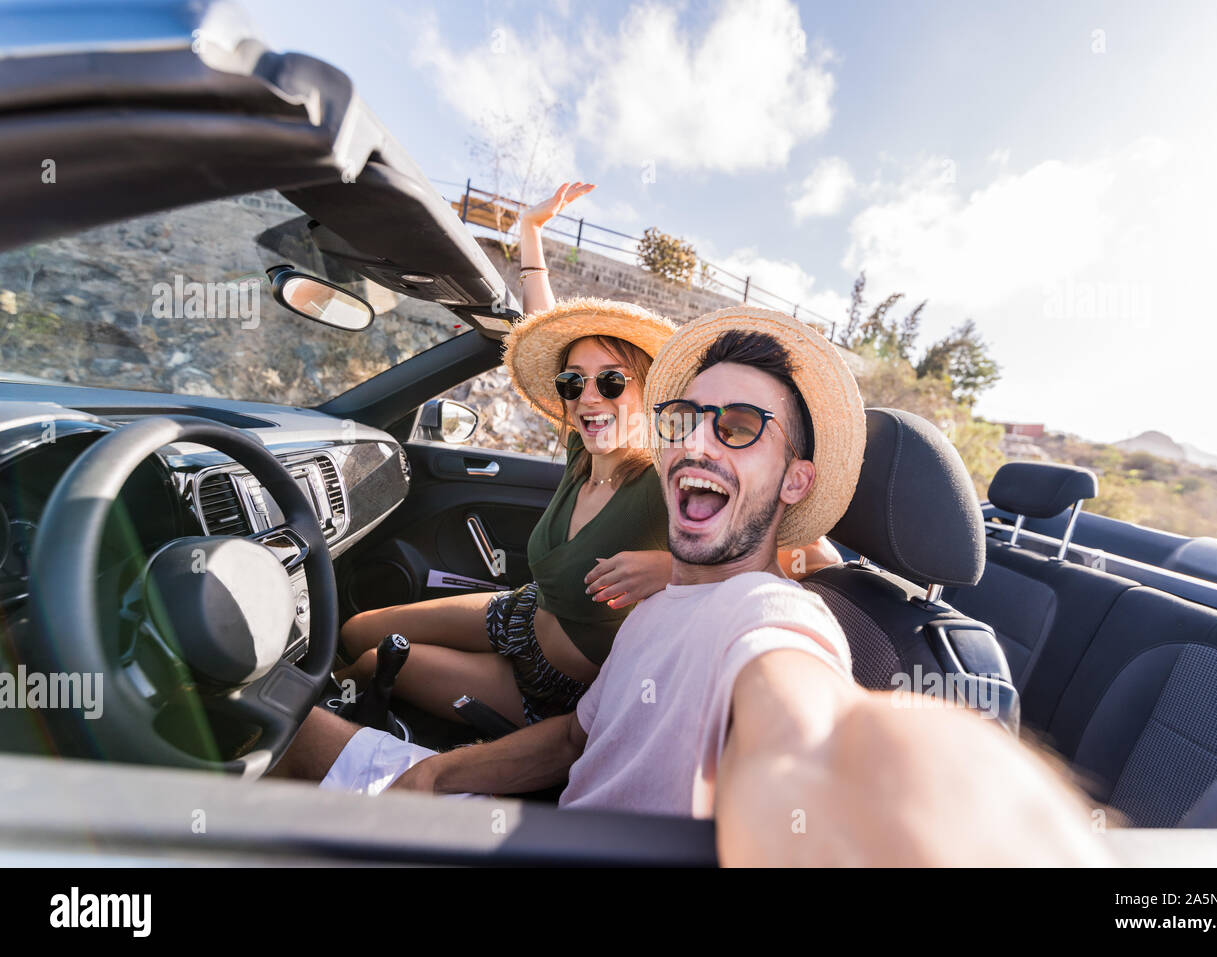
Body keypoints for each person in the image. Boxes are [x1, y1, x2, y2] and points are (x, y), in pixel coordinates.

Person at [279, 307, 1106, 866]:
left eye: (740, 427)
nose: (697, 445)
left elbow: (818, 739)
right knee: (283, 724)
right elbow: (575, 741)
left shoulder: (770, 615)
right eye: (684, 420)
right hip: (538, 817)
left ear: (794, 482)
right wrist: (437, 776)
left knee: (254, 729)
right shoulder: (667, 604)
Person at [336, 183, 839, 728]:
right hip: (519, 613)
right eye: (574, 383)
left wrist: (670, 568)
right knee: (356, 630)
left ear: (650, 394)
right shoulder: (584, 442)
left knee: (371, 660)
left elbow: (814, 557)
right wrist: (530, 233)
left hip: (551, 688)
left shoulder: (671, 475)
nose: (589, 396)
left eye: (612, 381)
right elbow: (539, 324)